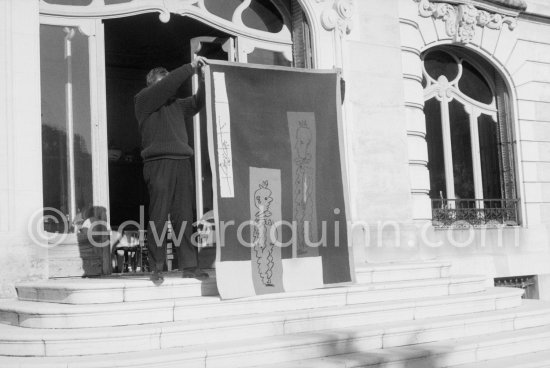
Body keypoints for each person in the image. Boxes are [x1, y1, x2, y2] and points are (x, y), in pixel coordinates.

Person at [134, 56, 209, 283]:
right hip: (158, 164)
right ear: (153, 85)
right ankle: (155, 266)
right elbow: (169, 85)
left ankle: (189, 265)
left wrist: (204, 81)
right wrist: (190, 67)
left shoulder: (175, 105)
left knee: (184, 216)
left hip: (181, 163)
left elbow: (197, 103)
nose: (169, 88)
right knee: (159, 216)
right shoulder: (143, 100)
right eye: (164, 83)